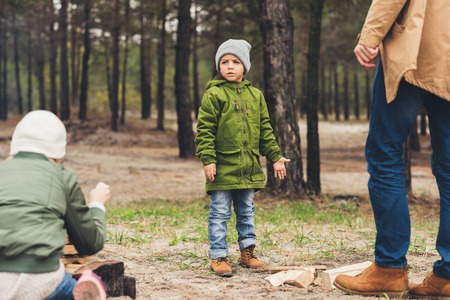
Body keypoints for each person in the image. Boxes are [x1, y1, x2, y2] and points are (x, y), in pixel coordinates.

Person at [334, 1, 450, 298]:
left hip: (416, 49)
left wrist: (370, 35)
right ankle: (447, 276)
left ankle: (389, 268)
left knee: (384, 154)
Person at [195, 39, 290, 277]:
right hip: (222, 168)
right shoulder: (214, 94)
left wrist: (275, 157)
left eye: (235, 62)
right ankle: (218, 256)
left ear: (244, 66)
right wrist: (208, 159)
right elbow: (205, 130)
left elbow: (265, 129)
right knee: (219, 213)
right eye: (224, 61)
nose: (229, 66)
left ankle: (247, 252)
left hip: (248, 167)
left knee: (246, 211)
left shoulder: (256, 95)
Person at [0, 110, 110, 300]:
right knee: (67, 287)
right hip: (41, 279)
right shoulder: (62, 176)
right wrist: (97, 205)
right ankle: (79, 292)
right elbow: (89, 243)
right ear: (59, 153)